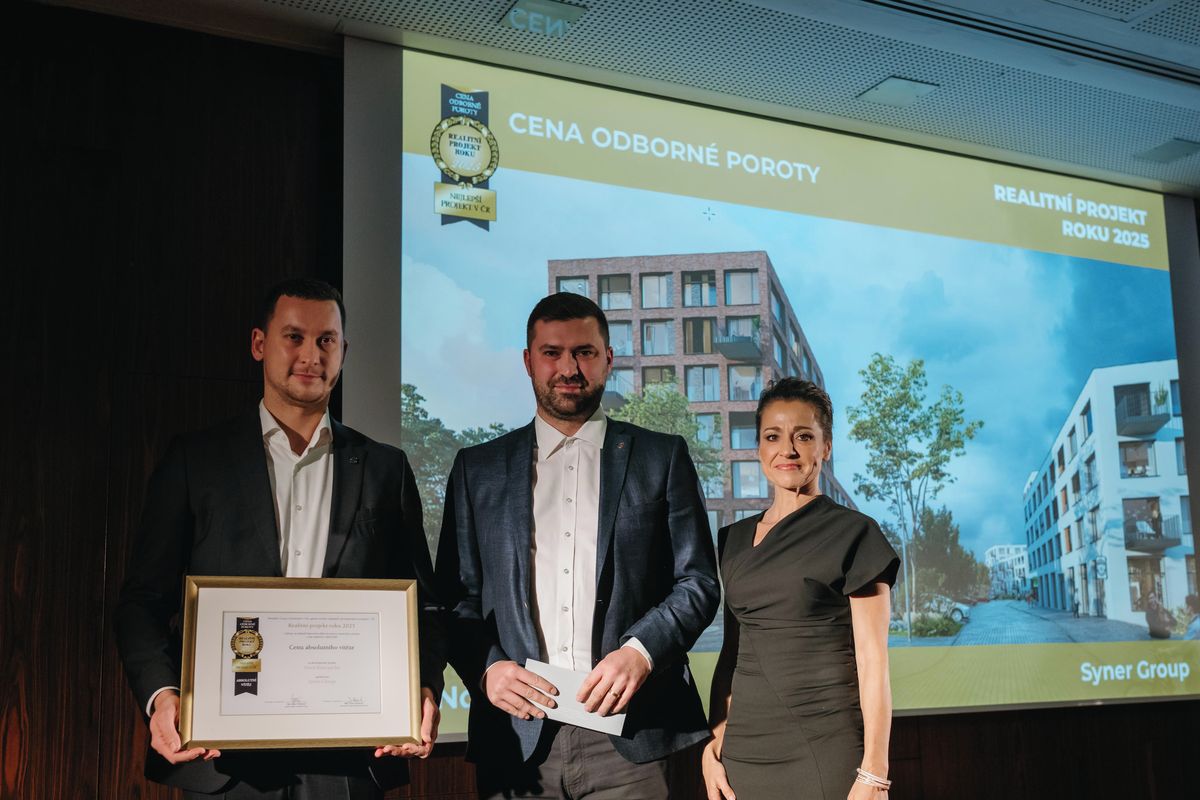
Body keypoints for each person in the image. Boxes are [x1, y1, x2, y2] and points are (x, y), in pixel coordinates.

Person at [114, 278, 446, 799]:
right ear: (259, 344)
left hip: (350, 756)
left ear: (343, 351)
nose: (311, 356)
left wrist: (422, 685)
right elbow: (143, 601)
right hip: (225, 759)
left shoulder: (386, 469)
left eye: (326, 340)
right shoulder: (196, 461)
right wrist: (162, 695)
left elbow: (423, 605)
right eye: (294, 337)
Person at [436, 292, 720, 799]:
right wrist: (487, 668)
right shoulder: (477, 470)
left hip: (633, 736)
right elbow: (456, 598)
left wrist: (641, 651)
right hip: (516, 736)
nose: (569, 368)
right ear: (529, 361)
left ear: (607, 359)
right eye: (552, 353)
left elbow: (697, 582)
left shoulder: (662, 457)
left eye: (584, 352)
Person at [702, 378, 899, 800]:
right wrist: (712, 745)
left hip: (826, 745)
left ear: (826, 447)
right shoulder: (732, 539)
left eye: (804, 437)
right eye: (773, 436)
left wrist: (874, 773)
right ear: (758, 447)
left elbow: (873, 661)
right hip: (743, 754)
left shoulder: (855, 534)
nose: (787, 450)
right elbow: (732, 653)